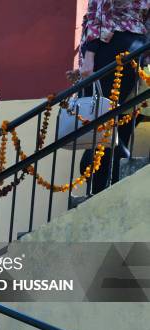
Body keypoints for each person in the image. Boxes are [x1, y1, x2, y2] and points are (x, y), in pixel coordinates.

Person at [72, 0, 148, 194]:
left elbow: (96, 14)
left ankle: (100, 184)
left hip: (109, 47)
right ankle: (110, 182)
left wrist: (88, 58)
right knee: (115, 121)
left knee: (102, 123)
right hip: (136, 48)